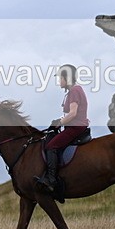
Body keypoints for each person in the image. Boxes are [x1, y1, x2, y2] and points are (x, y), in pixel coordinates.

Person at [36, 64, 90, 194]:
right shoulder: (74, 91)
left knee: (51, 146)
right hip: (74, 126)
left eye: (60, 78)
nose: (59, 81)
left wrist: (59, 123)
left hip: (75, 128)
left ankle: (51, 180)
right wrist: (58, 121)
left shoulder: (75, 91)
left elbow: (73, 114)